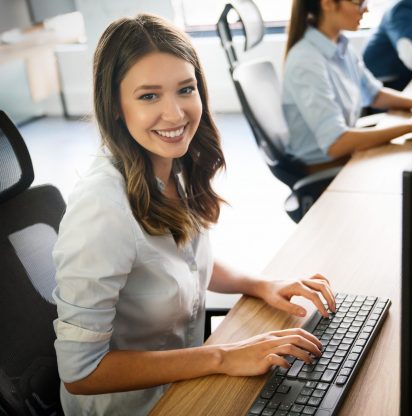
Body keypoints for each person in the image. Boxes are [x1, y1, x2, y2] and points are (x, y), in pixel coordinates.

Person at [52, 14, 336, 415]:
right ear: (115, 105)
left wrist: (262, 284)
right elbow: (81, 372)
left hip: (184, 380)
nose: (176, 114)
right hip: (135, 407)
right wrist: (223, 356)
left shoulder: (170, 165)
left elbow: (181, 261)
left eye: (186, 89)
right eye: (149, 96)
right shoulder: (101, 211)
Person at [282, 0, 412, 169]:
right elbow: (335, 143)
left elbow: (375, 94)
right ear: (328, 3)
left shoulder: (341, 46)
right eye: (358, 3)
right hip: (324, 165)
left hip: (346, 152)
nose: (365, 9)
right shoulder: (306, 61)